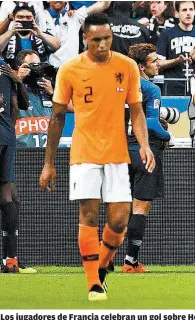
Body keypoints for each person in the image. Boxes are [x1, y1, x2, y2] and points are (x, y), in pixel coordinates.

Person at [39, 12, 155, 301]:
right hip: (84, 152)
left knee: (119, 220)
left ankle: (101, 270)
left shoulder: (127, 66)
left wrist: (144, 144)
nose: (103, 44)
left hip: (117, 153)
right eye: (96, 39)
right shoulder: (69, 69)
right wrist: (49, 163)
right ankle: (93, 284)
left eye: (107, 38)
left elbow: (137, 111)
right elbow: (55, 118)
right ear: (85, 39)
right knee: (89, 215)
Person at [121, 43, 172, 273]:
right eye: (153, 61)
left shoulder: (118, 85)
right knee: (140, 208)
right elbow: (151, 123)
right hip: (145, 150)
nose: (158, 64)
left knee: (120, 207)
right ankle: (131, 261)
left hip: (120, 150)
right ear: (141, 66)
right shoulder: (150, 89)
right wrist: (168, 133)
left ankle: (105, 256)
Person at [0, 56, 36, 274]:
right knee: (8, 197)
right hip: (5, 138)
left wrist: (19, 81)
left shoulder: (6, 72)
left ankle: (10, 260)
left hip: (6, 138)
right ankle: (9, 260)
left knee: (10, 197)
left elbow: (22, 105)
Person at [157, 0, 195, 96]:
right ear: (177, 13)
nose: (188, 13)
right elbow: (158, 63)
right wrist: (177, 60)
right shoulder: (167, 33)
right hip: (173, 87)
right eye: (184, 10)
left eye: (191, 9)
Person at [13, 50, 54, 148]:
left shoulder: (47, 87)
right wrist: (18, 80)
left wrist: (52, 93)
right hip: (20, 152)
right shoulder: (12, 86)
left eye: (38, 64)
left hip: (47, 152)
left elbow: (70, 107)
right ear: (20, 68)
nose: (36, 68)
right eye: (32, 65)